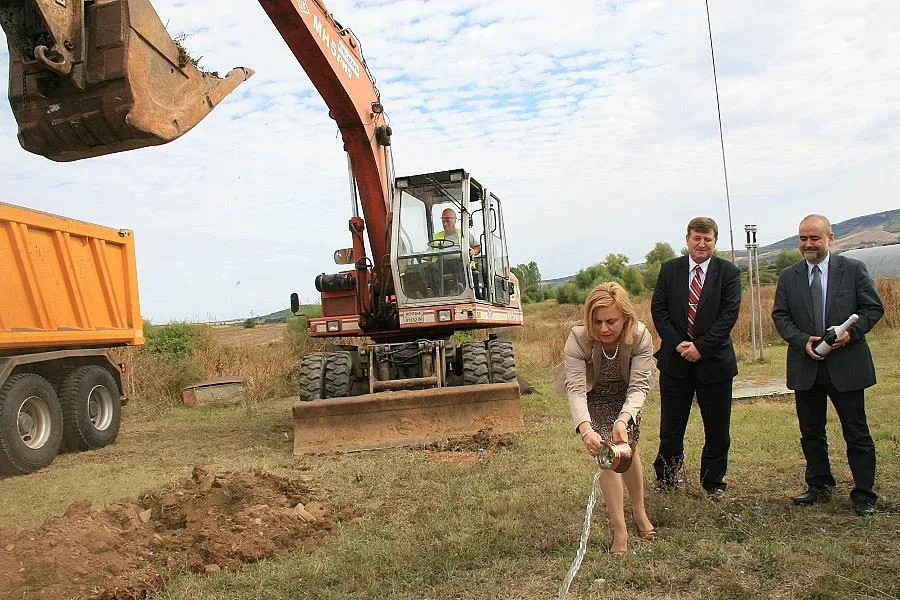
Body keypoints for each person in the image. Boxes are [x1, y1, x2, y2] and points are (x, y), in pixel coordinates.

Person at [771, 214, 884, 516]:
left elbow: (873, 308)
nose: (808, 244)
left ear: (830, 239)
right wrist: (802, 340)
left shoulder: (853, 270)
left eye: (814, 238)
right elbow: (780, 317)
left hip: (847, 366)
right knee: (811, 431)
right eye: (803, 238)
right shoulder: (789, 276)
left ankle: (864, 494)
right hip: (806, 366)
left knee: (856, 431)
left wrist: (850, 333)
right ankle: (819, 484)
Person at [562, 282, 657, 556]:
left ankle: (639, 511)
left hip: (626, 396)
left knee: (629, 451)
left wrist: (624, 419)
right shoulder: (578, 339)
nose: (603, 328)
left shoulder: (640, 336)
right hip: (595, 396)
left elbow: (639, 386)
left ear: (625, 318)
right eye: (597, 321)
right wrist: (585, 429)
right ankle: (620, 529)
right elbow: (576, 389)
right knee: (607, 456)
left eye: (611, 321)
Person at [651, 216, 742, 498]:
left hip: (714, 363)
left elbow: (728, 316)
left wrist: (701, 347)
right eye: (696, 238)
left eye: (708, 239)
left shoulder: (728, 273)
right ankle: (666, 480)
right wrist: (678, 343)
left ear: (715, 241)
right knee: (670, 429)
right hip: (675, 364)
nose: (702, 244)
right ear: (687, 239)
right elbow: (659, 310)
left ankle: (713, 483)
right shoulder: (670, 270)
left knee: (717, 430)